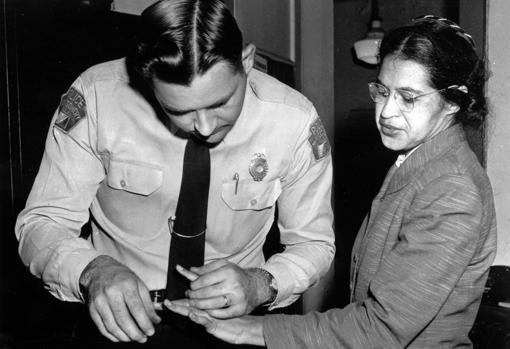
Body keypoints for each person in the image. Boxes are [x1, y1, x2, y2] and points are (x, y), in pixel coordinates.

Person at [14, 0, 335, 347]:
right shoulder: (95, 98)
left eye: (220, 103)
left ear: (246, 61)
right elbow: (42, 223)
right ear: (145, 80)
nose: (205, 127)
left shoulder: (294, 121)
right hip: (118, 322)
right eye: (178, 110)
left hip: (236, 325)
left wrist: (260, 284)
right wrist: (92, 272)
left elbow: (314, 243)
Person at [167, 15, 497, 348]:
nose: (386, 112)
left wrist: (252, 330)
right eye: (382, 92)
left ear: (453, 100)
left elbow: (380, 330)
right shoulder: (421, 163)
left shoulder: (452, 189)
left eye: (408, 98)